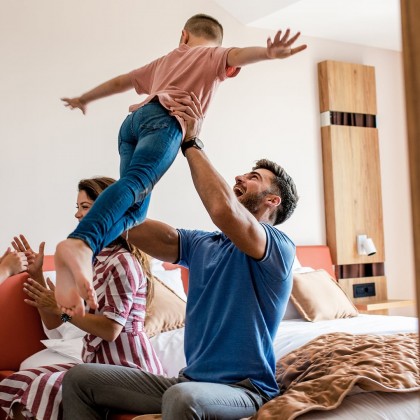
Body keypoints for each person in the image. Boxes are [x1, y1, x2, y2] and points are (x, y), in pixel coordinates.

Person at [61, 95, 299, 419]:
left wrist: (191, 143)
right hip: (188, 382)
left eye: (254, 177)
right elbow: (135, 226)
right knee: (80, 379)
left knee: (182, 398)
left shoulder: (278, 248)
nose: (240, 178)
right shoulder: (205, 244)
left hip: (244, 390)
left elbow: (223, 211)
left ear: (273, 200)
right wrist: (123, 184)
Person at [57, 13, 307, 316]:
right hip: (165, 121)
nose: (240, 176)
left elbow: (121, 81)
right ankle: (82, 243)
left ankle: (84, 252)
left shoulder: (164, 61)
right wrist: (267, 54)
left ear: (183, 36)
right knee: (136, 184)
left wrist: (85, 98)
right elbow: (241, 54)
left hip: (132, 123)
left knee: (134, 213)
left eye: (254, 177)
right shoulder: (214, 55)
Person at [0, 177, 163, 420]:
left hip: (128, 368)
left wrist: (61, 309)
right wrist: (36, 274)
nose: (77, 215)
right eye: (77, 208)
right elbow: (57, 323)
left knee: (45, 386)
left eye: (85, 207)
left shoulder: (121, 261)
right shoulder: (91, 261)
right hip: (96, 365)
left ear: (107, 212)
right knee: (18, 381)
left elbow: (110, 330)